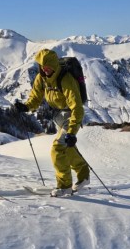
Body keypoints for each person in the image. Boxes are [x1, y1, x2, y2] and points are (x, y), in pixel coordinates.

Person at [14, 49, 89, 197]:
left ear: (54, 65)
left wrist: (72, 132)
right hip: (57, 116)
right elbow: (36, 96)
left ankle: (65, 186)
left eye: (47, 66)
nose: (44, 69)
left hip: (70, 115)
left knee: (57, 148)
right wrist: (26, 106)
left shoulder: (66, 79)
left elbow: (77, 108)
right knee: (66, 147)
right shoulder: (41, 78)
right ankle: (83, 173)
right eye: (42, 66)